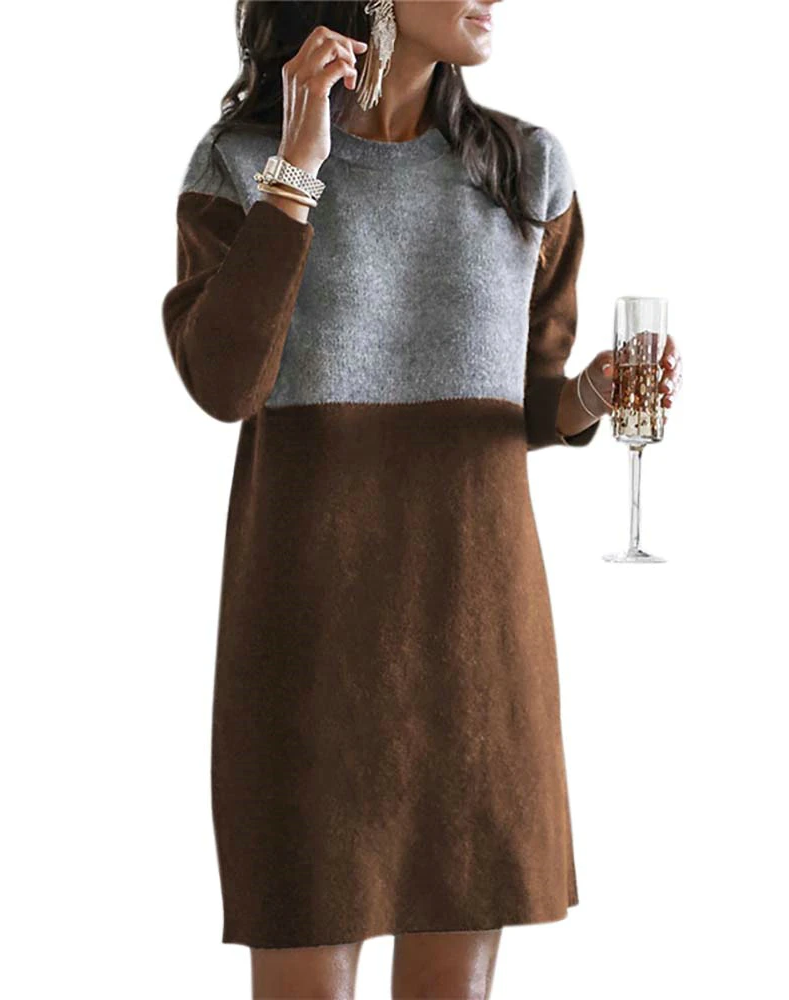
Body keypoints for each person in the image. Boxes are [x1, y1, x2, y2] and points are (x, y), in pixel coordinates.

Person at [160, 2, 683, 997]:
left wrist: (588, 397)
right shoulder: (241, 161)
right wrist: (296, 170)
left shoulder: (528, 168)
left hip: (474, 637)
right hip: (309, 645)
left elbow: (523, 392)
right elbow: (224, 385)